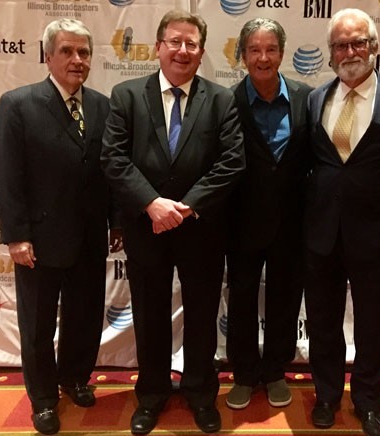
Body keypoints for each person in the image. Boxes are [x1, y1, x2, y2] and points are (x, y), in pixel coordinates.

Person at [100, 10, 245, 436]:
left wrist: (184, 207)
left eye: (192, 44)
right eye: (175, 41)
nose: (183, 51)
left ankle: (201, 395)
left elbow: (232, 162)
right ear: (158, 47)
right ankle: (152, 395)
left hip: (201, 230)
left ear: (201, 53)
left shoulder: (221, 100)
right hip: (147, 229)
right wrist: (151, 204)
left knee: (201, 316)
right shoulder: (126, 95)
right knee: (149, 315)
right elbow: (114, 157)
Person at [0, 18, 123, 436]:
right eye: (67, 51)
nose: (77, 60)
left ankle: (75, 378)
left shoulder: (103, 106)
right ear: (47, 55)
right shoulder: (18, 104)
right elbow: (7, 176)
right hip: (39, 241)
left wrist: (117, 222)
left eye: (83, 52)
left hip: (89, 238)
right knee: (38, 325)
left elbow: (114, 171)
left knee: (84, 317)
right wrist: (16, 235)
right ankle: (44, 399)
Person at [304, 8, 380, 436]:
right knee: (322, 320)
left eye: (358, 43)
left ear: (373, 47)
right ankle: (327, 395)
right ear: (330, 53)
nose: (349, 51)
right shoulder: (318, 98)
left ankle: (369, 401)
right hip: (321, 232)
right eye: (340, 44)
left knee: (374, 324)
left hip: (376, 232)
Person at [224, 18, 313, 410]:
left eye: (271, 49)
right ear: (242, 55)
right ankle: (244, 373)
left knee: (285, 298)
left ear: (282, 52)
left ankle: (275, 370)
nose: (263, 58)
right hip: (240, 223)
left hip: (294, 223)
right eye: (255, 50)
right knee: (241, 299)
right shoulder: (224, 101)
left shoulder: (307, 97)